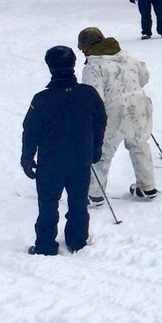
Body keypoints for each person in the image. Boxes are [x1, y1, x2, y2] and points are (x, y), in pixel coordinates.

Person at [21, 46, 107, 256]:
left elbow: (30, 130)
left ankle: (45, 245)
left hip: (51, 162)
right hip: (81, 159)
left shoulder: (41, 100)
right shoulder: (88, 94)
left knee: (48, 204)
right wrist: (96, 148)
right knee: (78, 201)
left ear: (50, 67)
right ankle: (77, 241)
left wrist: (27, 157)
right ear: (73, 64)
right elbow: (101, 121)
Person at [77, 27, 157, 202]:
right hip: (140, 105)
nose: (83, 53)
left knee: (102, 150)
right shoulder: (126, 57)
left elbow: (93, 95)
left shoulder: (94, 65)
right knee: (139, 145)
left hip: (113, 111)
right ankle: (147, 187)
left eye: (82, 49)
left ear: (88, 46)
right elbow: (144, 75)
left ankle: (94, 194)